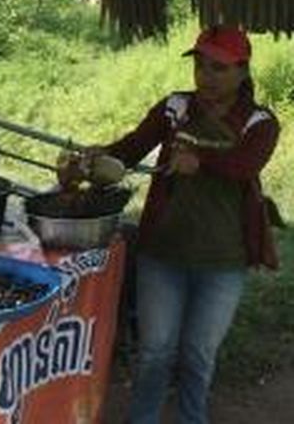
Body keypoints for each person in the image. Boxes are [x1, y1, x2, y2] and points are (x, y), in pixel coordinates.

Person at [62, 26, 279, 424]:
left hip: (223, 261)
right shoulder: (175, 108)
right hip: (162, 253)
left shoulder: (259, 122)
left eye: (219, 67)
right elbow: (130, 149)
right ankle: (142, 419)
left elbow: (244, 166)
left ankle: (192, 419)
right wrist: (92, 160)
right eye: (200, 64)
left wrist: (201, 162)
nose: (206, 76)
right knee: (156, 350)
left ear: (242, 72)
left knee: (198, 354)